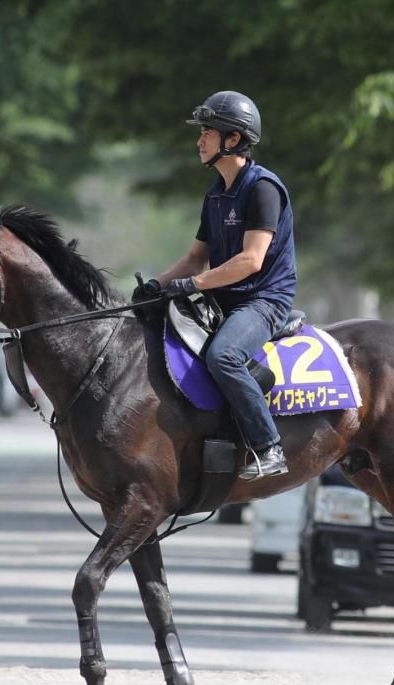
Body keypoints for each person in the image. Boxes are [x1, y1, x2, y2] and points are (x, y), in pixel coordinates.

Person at [133, 90, 297, 480]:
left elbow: (251, 260)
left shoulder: (262, 189)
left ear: (233, 140)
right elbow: (194, 258)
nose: (199, 140)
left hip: (263, 300)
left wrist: (194, 284)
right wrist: (156, 285)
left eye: (207, 132)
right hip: (225, 295)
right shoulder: (216, 195)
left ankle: (268, 447)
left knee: (222, 356)